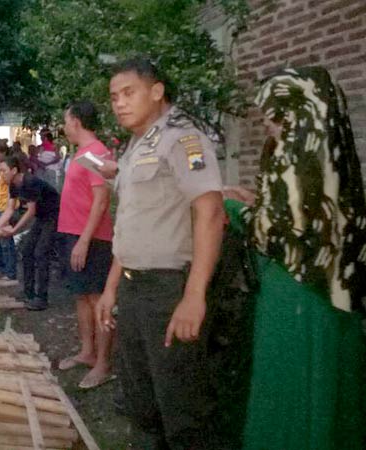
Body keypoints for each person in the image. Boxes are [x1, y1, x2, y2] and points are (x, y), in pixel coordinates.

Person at [223, 68, 366, 450]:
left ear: (299, 111)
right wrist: (262, 203)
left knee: (289, 384)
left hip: (295, 291)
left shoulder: (293, 157)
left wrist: (234, 208)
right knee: (330, 388)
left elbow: (271, 234)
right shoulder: (334, 154)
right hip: (336, 293)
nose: (268, 122)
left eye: (275, 112)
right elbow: (310, 219)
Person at [95, 58, 225, 449]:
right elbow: (134, 226)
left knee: (181, 406)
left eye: (128, 92)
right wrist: (111, 287)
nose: (119, 103)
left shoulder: (184, 140)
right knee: (141, 402)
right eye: (114, 96)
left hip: (170, 290)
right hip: (135, 289)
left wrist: (194, 295)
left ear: (156, 91)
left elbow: (211, 212)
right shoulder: (138, 145)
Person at [56, 100, 116, 389]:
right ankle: (87, 352)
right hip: (73, 234)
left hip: (91, 239)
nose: (64, 126)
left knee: (97, 300)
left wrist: (84, 240)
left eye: (66, 121)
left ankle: (103, 363)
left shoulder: (96, 153)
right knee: (82, 297)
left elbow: (102, 199)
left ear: (77, 122)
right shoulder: (82, 153)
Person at [0, 154, 60, 311]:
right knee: (26, 250)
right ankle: (28, 292)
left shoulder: (29, 182)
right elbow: (9, 209)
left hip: (54, 216)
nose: (1, 174)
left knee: (41, 253)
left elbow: (30, 211)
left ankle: (41, 298)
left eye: (3, 170)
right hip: (42, 217)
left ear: (14, 170)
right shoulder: (13, 184)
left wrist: (14, 231)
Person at [0, 139, 16, 280]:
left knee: (6, 241)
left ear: (3, 152)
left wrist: (7, 207)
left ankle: (10, 271)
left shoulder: (7, 166)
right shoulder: (1, 166)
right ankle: (1, 267)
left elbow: (9, 190)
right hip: (0, 206)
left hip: (6, 207)